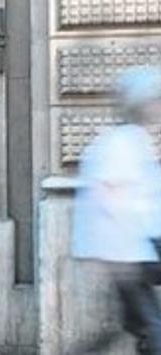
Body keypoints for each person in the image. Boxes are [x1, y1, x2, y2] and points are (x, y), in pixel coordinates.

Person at [67, 66, 161, 355]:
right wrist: (131, 247)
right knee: (152, 326)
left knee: (132, 324)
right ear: (139, 104)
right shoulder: (119, 143)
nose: (158, 106)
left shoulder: (135, 140)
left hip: (136, 251)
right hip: (128, 253)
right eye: (154, 100)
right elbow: (107, 195)